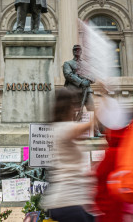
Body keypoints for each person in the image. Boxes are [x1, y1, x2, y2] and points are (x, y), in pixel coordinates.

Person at [40, 88, 96, 221]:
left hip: (70, 200)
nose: (75, 108)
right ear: (66, 106)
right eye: (73, 104)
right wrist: (98, 103)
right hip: (68, 200)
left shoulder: (57, 128)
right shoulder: (63, 128)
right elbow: (89, 125)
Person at [62, 44, 101, 137]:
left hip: (87, 91)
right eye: (75, 50)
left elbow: (93, 76)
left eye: (78, 50)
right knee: (74, 111)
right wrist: (80, 82)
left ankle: (96, 130)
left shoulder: (86, 65)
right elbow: (68, 74)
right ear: (73, 51)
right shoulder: (68, 63)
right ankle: (73, 131)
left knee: (92, 110)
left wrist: (87, 80)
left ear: (81, 51)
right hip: (74, 91)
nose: (77, 51)